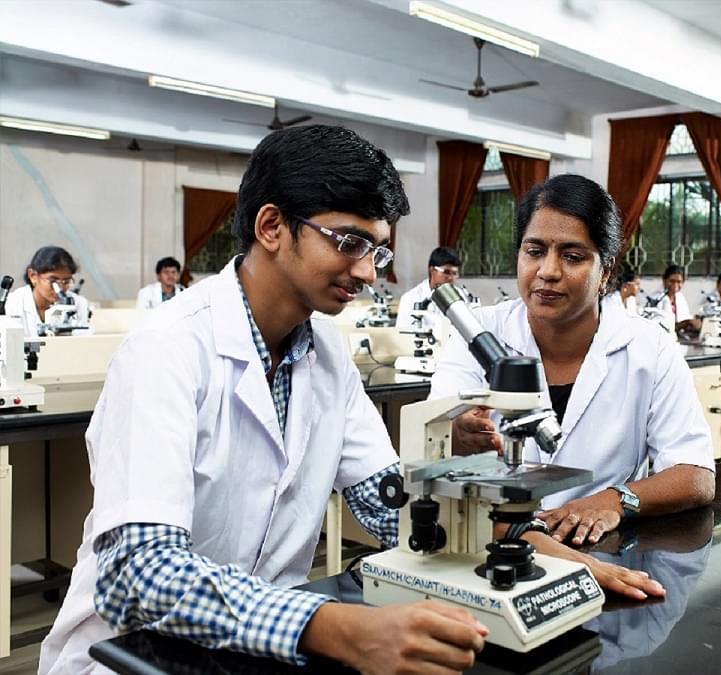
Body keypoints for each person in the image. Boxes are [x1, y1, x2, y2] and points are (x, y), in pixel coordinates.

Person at [39, 125, 489, 675]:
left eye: (377, 251)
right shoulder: (167, 347)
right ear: (272, 226)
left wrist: (519, 548)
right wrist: (330, 626)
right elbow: (140, 574)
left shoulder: (327, 355)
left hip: (256, 652)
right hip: (130, 654)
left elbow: (386, 506)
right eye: (349, 243)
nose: (368, 273)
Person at [429, 174, 715, 567]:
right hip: (481, 546)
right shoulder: (477, 333)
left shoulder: (649, 348)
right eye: (534, 251)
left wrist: (615, 499)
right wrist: (458, 434)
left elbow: (695, 475)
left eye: (572, 256)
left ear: (607, 270)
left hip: (596, 552)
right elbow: (436, 437)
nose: (548, 270)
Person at [4, 246, 90, 337]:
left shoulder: (78, 304)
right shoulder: (13, 303)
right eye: (53, 281)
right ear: (33, 275)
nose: (60, 289)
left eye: (66, 281)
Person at [395, 246, 461, 331]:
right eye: (446, 272)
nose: (451, 278)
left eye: (454, 273)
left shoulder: (461, 297)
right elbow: (403, 334)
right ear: (432, 270)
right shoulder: (410, 298)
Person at [649, 264, 700, 334]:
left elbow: (685, 316)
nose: (675, 285)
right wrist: (683, 324)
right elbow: (656, 324)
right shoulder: (656, 298)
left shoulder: (680, 297)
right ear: (664, 280)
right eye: (672, 281)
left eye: (679, 282)